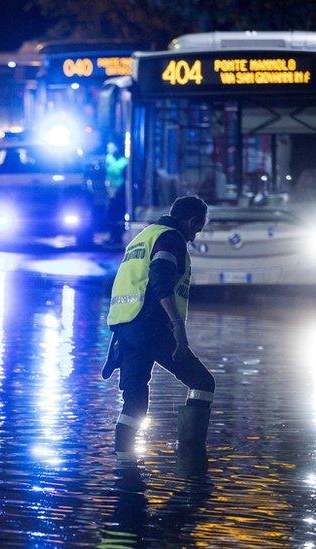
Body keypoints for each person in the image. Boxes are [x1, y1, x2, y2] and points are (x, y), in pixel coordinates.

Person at [101, 196, 215, 474]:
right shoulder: (171, 239)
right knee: (202, 382)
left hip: (125, 328)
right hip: (151, 325)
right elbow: (160, 282)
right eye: (197, 229)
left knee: (135, 401)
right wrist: (179, 329)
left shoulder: (144, 236)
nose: (195, 235)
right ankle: (191, 459)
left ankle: (125, 471)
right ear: (191, 222)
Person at [104, 142, 129, 246]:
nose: (108, 149)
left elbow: (115, 171)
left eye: (111, 146)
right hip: (111, 192)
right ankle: (113, 236)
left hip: (120, 192)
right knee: (111, 215)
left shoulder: (123, 162)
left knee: (117, 216)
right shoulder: (110, 159)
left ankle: (117, 238)